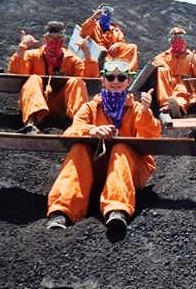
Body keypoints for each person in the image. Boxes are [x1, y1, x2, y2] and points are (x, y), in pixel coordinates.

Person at [45, 60, 160, 238]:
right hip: (96, 168)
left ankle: (117, 209)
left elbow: (151, 139)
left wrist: (146, 114)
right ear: (103, 80)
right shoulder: (90, 107)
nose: (116, 81)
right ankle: (62, 210)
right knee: (79, 148)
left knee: (121, 147)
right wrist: (91, 130)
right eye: (110, 77)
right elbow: (72, 130)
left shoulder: (137, 108)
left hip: (130, 171)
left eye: (121, 77)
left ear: (128, 81)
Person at [7, 21, 91, 133]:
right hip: (34, 103)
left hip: (61, 107)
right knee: (33, 79)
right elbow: (16, 73)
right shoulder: (32, 56)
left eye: (59, 38)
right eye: (51, 38)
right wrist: (22, 48)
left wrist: (87, 54)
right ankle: (31, 124)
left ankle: (79, 125)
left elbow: (89, 81)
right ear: (45, 39)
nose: (55, 42)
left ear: (64, 40)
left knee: (76, 81)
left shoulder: (73, 60)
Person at [150, 26, 196, 118]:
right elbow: (154, 64)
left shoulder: (192, 56)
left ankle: (177, 108)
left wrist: (195, 63)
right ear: (171, 41)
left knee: (182, 93)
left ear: (184, 41)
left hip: (184, 85)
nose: (178, 41)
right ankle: (165, 104)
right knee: (161, 70)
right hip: (167, 84)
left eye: (180, 38)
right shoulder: (163, 56)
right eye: (175, 39)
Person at [79, 3, 139, 71]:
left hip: (114, 54)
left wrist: (118, 45)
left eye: (109, 12)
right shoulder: (92, 26)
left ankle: (126, 71)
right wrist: (94, 17)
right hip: (100, 54)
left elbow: (122, 42)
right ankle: (111, 70)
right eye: (104, 11)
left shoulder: (115, 29)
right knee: (103, 52)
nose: (106, 15)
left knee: (133, 47)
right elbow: (83, 34)